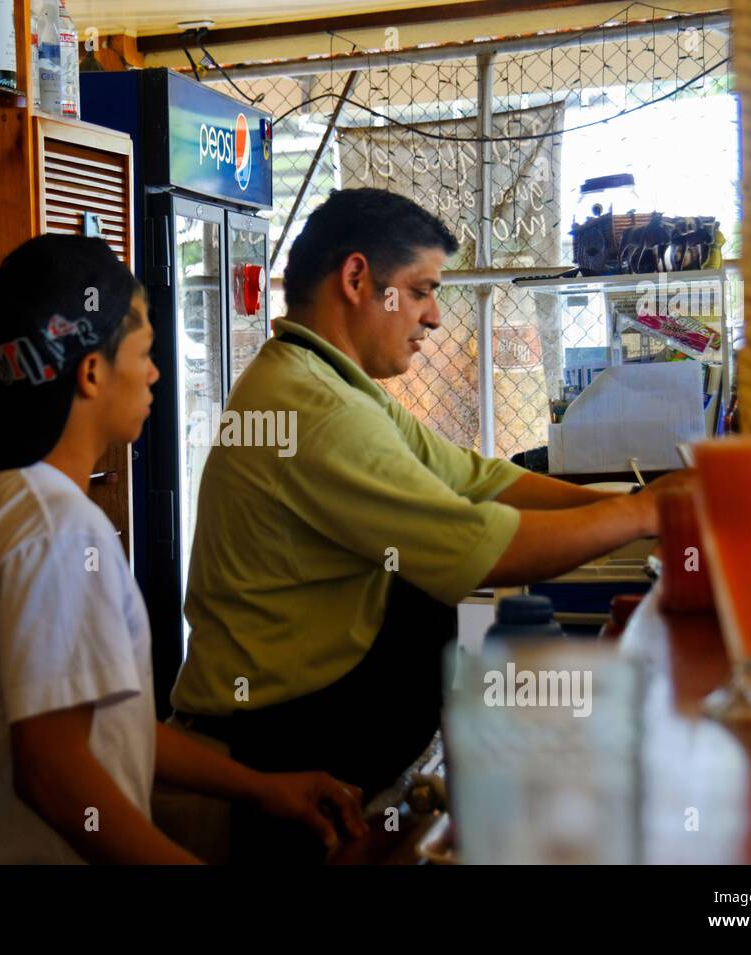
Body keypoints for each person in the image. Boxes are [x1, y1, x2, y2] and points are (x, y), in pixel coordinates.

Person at [168, 189, 688, 862]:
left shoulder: (334, 386)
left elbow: (475, 477)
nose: (436, 317)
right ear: (358, 280)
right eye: (419, 291)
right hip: (267, 766)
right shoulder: (313, 410)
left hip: (311, 744)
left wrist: (634, 498)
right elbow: (478, 547)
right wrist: (649, 512)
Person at [0, 235, 365, 864]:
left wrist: (261, 789)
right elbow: (54, 775)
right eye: (144, 353)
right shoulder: (57, 528)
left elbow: (101, 726)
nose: (154, 373)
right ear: (91, 372)